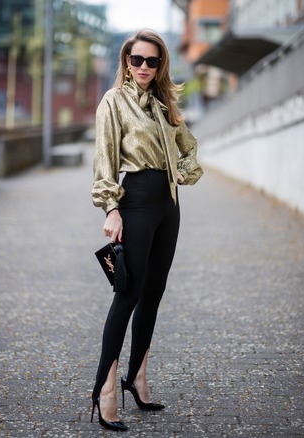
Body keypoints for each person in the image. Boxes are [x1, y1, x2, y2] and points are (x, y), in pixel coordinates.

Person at [90, 29, 203, 431]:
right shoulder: (113, 101)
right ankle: (104, 389)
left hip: (169, 204)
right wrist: (111, 208)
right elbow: (104, 159)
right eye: (136, 59)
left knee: (153, 294)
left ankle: (137, 377)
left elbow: (189, 147)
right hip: (135, 200)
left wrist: (184, 172)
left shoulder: (164, 105)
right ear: (126, 61)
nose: (143, 66)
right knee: (127, 294)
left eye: (151, 61)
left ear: (160, 66)